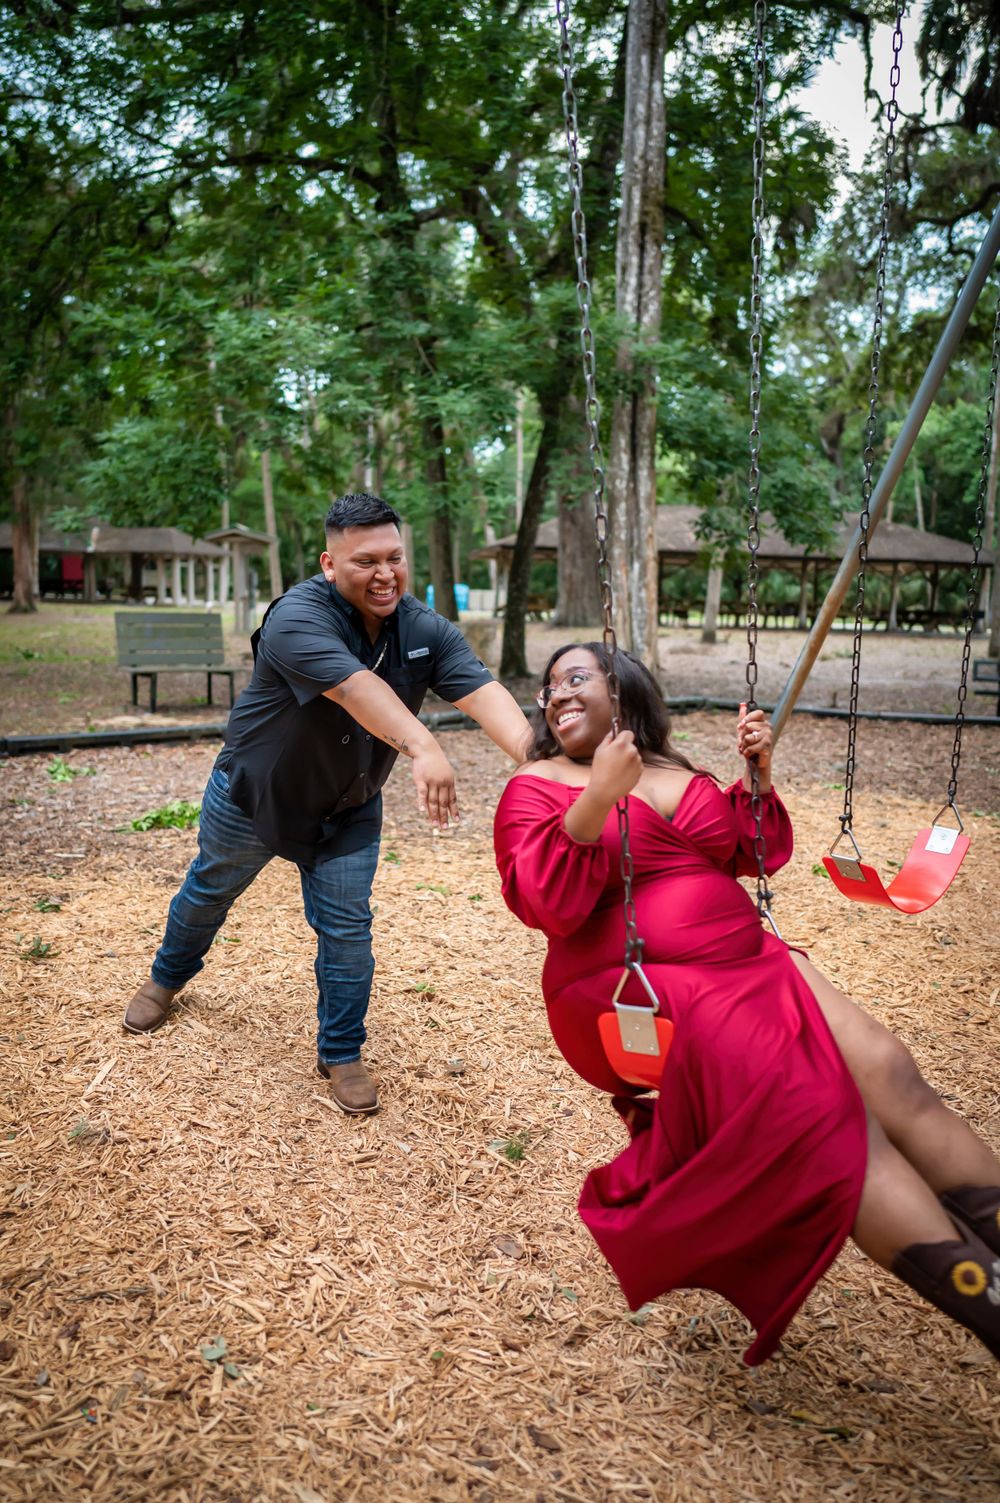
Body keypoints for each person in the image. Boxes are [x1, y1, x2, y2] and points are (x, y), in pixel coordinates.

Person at [494, 642, 1000, 1366]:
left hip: (747, 957)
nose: (557, 695)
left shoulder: (672, 770)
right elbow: (546, 903)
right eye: (548, 688)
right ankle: (988, 1302)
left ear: (623, 688)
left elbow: (750, 851)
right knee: (834, 1121)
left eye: (576, 678)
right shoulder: (536, 785)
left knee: (891, 1072)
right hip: (639, 984)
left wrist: (757, 779)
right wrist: (600, 793)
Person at [124, 493, 531, 1114]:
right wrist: (423, 748)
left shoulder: (423, 629)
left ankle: (341, 1051)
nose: (385, 574)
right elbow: (351, 686)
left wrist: (544, 761)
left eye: (395, 558)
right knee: (209, 892)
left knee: (347, 930)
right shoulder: (296, 619)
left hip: (348, 805)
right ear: (329, 563)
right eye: (365, 561)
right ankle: (166, 978)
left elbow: (485, 695)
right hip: (256, 798)